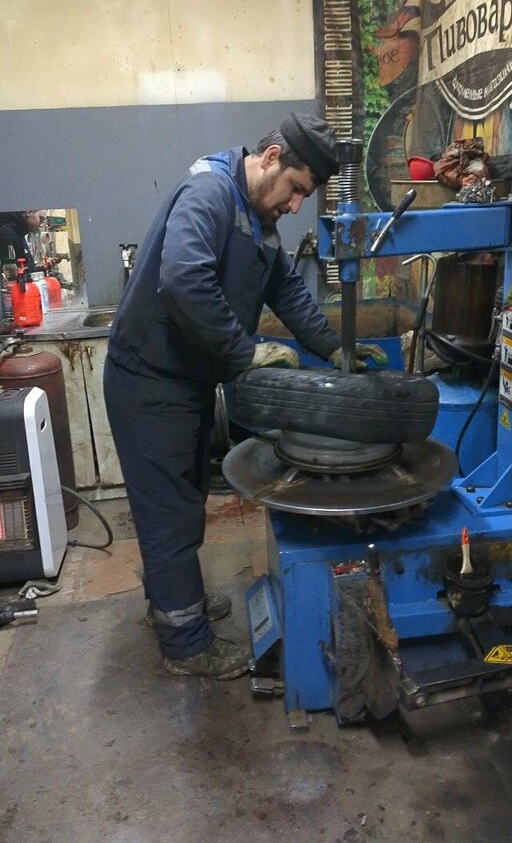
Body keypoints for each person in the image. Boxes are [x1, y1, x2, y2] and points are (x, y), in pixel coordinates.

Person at [103, 113, 386, 680]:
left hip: (184, 380)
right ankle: (186, 645)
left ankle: (173, 598)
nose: (295, 205)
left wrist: (334, 348)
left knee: (185, 501)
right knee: (167, 513)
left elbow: (287, 291)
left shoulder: (259, 220)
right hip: (148, 381)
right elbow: (183, 278)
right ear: (271, 157)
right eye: (296, 189)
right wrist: (244, 353)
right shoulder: (210, 193)